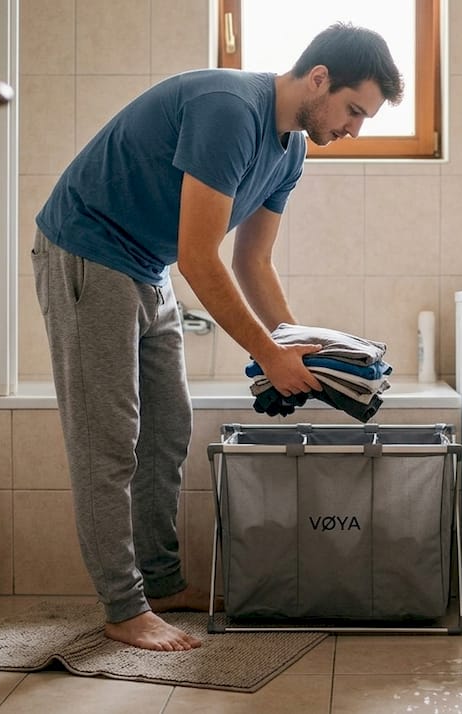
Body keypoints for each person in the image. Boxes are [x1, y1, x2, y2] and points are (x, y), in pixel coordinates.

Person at [31, 23, 403, 651]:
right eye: (354, 111)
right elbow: (200, 257)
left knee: (168, 430)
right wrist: (267, 354)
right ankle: (123, 608)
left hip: (146, 267)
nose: (354, 130)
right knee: (109, 443)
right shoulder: (229, 110)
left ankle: (160, 583)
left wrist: (296, 347)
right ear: (318, 79)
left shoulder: (291, 151)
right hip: (88, 250)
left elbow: (253, 261)